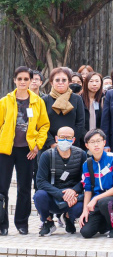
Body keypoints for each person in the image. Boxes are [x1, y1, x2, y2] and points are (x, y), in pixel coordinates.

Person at [0, 66, 50, 236]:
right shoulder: (5, 101)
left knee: (24, 188)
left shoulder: (38, 101)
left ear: (30, 81)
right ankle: (2, 224)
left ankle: (22, 223)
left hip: (27, 151)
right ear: (14, 80)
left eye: (26, 79)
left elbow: (44, 125)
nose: (22, 82)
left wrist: (37, 145)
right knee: (2, 188)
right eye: (19, 79)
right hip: (5, 151)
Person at [35, 126, 85, 236]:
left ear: (73, 140)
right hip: (53, 195)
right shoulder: (47, 155)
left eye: (68, 138)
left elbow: (85, 179)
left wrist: (73, 191)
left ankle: (68, 218)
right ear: (56, 139)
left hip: (73, 197)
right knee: (39, 196)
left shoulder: (81, 154)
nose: (65, 140)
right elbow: (40, 181)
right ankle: (48, 221)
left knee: (81, 206)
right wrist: (60, 194)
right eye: (62, 137)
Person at [79, 129, 113, 238]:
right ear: (87, 145)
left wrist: (95, 199)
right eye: (92, 142)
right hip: (98, 202)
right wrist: (85, 210)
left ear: (104, 143)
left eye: (99, 141)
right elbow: (87, 189)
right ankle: (105, 224)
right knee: (85, 232)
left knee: (104, 202)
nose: (96, 145)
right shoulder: (87, 164)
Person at [43, 67, 85, 149]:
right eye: (57, 80)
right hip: (49, 147)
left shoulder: (77, 99)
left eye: (64, 80)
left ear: (69, 82)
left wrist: (70, 142)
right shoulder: (45, 100)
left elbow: (80, 123)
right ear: (51, 82)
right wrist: (51, 143)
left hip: (72, 145)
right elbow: (41, 125)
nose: (60, 82)